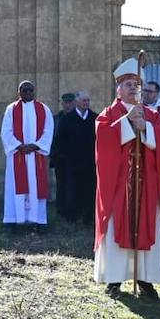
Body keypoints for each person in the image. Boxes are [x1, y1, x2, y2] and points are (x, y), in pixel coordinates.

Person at [94, 60, 160, 298]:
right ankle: (114, 278)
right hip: (119, 185)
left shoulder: (151, 114)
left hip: (146, 185)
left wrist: (146, 127)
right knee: (118, 224)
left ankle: (145, 278)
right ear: (118, 88)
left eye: (137, 85)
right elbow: (103, 138)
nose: (133, 89)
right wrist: (128, 122)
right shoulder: (109, 114)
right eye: (128, 84)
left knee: (147, 223)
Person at [0, 80, 54, 230]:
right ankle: (12, 220)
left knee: (37, 188)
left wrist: (36, 145)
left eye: (31, 90)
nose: (28, 93)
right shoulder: (11, 110)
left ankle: (39, 220)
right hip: (18, 155)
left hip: (37, 155)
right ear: (19, 93)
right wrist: (19, 146)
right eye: (25, 91)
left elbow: (48, 130)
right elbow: (6, 132)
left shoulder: (44, 109)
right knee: (14, 187)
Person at [53, 90, 98, 224]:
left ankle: (88, 217)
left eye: (88, 101)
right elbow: (60, 140)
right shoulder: (67, 119)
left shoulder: (95, 118)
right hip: (72, 162)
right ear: (77, 102)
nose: (86, 103)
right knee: (72, 189)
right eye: (84, 100)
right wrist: (67, 155)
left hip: (90, 162)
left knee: (89, 189)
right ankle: (72, 216)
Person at [50, 91, 76, 220]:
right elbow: (52, 137)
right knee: (61, 183)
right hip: (60, 157)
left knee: (72, 185)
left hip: (74, 158)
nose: (68, 105)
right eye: (65, 102)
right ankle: (60, 208)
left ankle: (70, 209)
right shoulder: (56, 118)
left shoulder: (77, 118)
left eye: (70, 102)